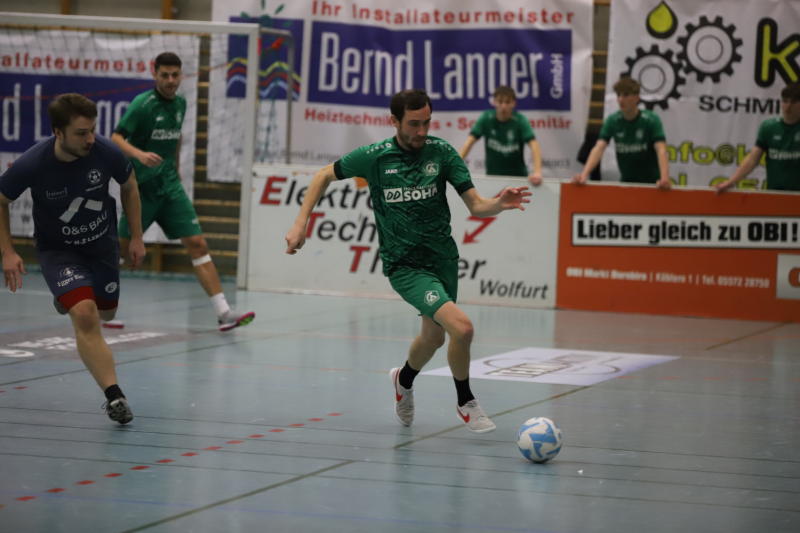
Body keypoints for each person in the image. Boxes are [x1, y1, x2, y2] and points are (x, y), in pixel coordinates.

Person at [285, 89, 531, 434]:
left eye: (427, 122)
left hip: (443, 259)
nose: (422, 131)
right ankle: (465, 401)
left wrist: (499, 204)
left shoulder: (442, 152)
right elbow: (323, 175)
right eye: (414, 123)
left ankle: (404, 380)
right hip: (405, 266)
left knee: (433, 338)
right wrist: (301, 224)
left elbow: (476, 205)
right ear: (394, 121)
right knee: (462, 328)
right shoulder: (374, 157)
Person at [0, 93, 146, 424]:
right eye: (81, 133)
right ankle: (115, 396)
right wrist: (7, 252)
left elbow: (130, 186)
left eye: (92, 130)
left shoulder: (105, 152)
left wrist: (136, 237)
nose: (90, 138)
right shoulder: (32, 164)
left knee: (106, 312)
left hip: (102, 247)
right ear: (58, 132)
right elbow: (1, 200)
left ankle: (68, 295)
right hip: (59, 251)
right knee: (85, 314)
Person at [111, 51, 255, 331]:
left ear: (181, 76)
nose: (170, 80)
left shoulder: (181, 103)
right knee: (122, 252)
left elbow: (174, 141)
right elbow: (116, 137)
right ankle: (101, 308)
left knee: (198, 243)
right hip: (142, 189)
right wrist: (139, 155)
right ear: (154, 74)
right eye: (164, 75)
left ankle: (223, 312)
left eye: (175, 75)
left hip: (170, 187)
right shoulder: (142, 105)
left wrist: (174, 169)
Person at [573, 77, 671, 189]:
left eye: (625, 95)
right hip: (627, 184)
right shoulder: (612, 120)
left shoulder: (651, 119)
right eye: (618, 95)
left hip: (652, 185)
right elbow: (599, 148)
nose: (620, 99)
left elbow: (661, 149)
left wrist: (664, 178)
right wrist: (584, 175)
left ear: (636, 98)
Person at [716, 82, 800, 192]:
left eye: (794, 102)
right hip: (776, 194)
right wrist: (731, 182)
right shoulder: (769, 128)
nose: (788, 107)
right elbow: (752, 159)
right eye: (785, 101)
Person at [459, 85, 543, 187]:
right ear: (494, 102)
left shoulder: (521, 120)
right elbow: (469, 142)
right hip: (493, 179)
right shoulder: (486, 118)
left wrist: (537, 172)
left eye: (507, 102)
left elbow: (534, 145)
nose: (503, 106)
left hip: (518, 179)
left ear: (514, 103)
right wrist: (455, 166)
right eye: (500, 102)